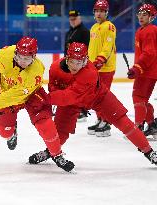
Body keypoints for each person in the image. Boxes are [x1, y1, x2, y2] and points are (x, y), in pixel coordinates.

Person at [28, 42, 157, 167]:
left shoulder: (90, 73)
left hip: (99, 97)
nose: (75, 66)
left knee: (124, 122)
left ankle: (149, 152)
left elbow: (69, 95)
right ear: (67, 58)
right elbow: (54, 88)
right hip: (71, 103)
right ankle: (50, 152)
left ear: (85, 60)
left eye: (80, 62)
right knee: (60, 130)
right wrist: (49, 97)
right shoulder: (55, 68)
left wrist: (45, 98)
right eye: (72, 61)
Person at [0, 36, 75, 172]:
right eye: (19, 57)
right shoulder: (6, 52)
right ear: (15, 52)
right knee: (4, 132)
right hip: (6, 94)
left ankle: (57, 154)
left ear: (34, 57)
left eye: (27, 59)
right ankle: (12, 132)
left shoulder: (36, 71)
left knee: (46, 126)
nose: (22, 61)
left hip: (32, 96)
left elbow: (16, 95)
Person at [127, 4, 157, 140]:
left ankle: (138, 128)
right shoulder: (143, 30)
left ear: (152, 17)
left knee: (138, 97)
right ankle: (152, 125)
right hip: (148, 71)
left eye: (145, 14)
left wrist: (137, 67)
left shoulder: (149, 31)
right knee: (143, 100)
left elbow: (149, 53)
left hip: (146, 71)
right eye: (139, 14)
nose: (141, 16)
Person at [88, 0, 117, 137]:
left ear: (106, 13)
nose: (99, 13)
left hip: (105, 68)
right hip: (94, 68)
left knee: (103, 96)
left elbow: (108, 46)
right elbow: (91, 48)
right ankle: (100, 119)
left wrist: (101, 60)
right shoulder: (93, 28)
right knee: (96, 96)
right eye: (96, 11)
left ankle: (106, 122)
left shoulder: (109, 26)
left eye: (101, 11)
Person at [64, 9, 90, 122]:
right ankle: (75, 108)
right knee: (71, 87)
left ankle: (82, 110)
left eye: (74, 19)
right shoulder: (69, 32)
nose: (72, 21)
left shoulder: (84, 31)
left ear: (79, 18)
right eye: (70, 19)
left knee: (80, 87)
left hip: (80, 64)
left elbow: (87, 49)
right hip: (70, 63)